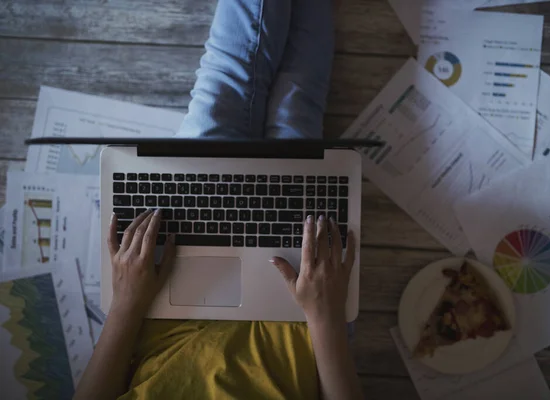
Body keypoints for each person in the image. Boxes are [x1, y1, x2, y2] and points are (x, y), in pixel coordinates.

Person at [74, 0, 365, 399]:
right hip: (303, 321)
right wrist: (327, 318)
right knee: (297, 107)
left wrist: (125, 302)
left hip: (161, 313)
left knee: (227, 86)